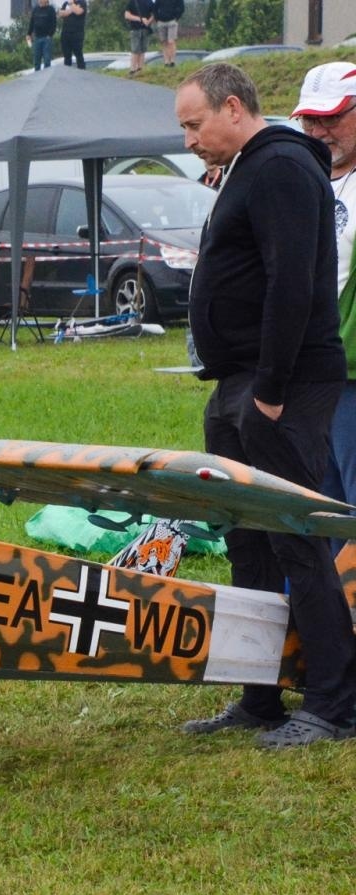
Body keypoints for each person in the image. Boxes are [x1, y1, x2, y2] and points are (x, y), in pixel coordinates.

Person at [175, 63, 356, 747]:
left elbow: (291, 285)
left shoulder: (279, 165)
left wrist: (274, 390)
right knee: (245, 540)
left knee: (296, 537)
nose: (189, 139)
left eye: (194, 125)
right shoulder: (248, 168)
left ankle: (334, 703)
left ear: (231, 108)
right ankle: (258, 695)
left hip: (281, 384)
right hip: (238, 381)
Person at [291, 62, 356, 517]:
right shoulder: (302, 179)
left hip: (351, 374)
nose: (319, 130)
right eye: (310, 119)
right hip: (304, 372)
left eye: (332, 117)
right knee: (315, 509)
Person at [124, 0, 156, 77]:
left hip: (145, 29)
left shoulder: (149, 2)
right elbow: (127, 15)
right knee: (135, 50)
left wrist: (149, 21)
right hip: (135, 29)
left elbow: (155, 13)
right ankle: (132, 69)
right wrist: (140, 19)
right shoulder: (132, 2)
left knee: (143, 50)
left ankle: (140, 69)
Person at [152, 0, 185, 68]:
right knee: (164, 42)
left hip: (172, 21)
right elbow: (155, 8)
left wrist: (177, 18)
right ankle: (166, 62)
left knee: (171, 41)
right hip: (161, 22)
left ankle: (172, 61)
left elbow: (182, 8)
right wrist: (157, 19)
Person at [27, 0, 57, 72]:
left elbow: (54, 23)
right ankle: (37, 78)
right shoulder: (35, 9)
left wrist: (50, 35)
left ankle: (46, 77)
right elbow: (32, 22)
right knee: (36, 60)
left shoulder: (51, 9)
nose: (40, 1)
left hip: (46, 38)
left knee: (47, 60)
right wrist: (28, 34)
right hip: (37, 38)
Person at [58, 0, 87, 70]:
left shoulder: (82, 2)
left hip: (77, 34)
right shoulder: (65, 3)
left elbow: (78, 12)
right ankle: (67, 75)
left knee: (78, 54)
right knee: (67, 56)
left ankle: (82, 74)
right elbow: (61, 14)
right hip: (65, 33)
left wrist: (71, 4)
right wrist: (72, 9)